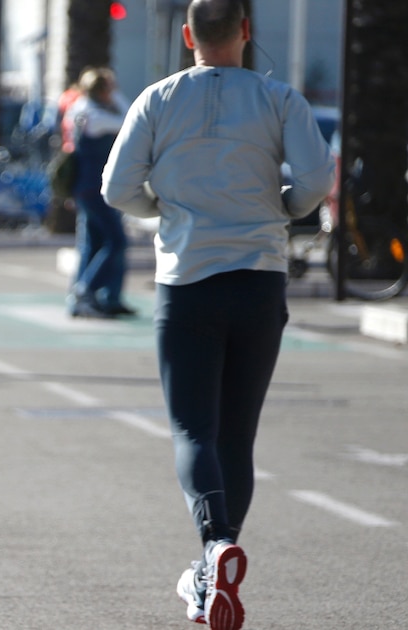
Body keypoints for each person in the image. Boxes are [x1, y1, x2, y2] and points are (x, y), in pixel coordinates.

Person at [101, 1, 334, 628]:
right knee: (237, 434)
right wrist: (281, 207)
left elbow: (115, 188)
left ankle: (214, 547)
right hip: (259, 277)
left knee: (192, 431)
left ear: (186, 37)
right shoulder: (280, 98)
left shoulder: (157, 98)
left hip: (188, 278)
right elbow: (316, 180)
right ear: (247, 32)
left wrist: (168, 208)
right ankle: (213, 568)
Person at [66, 67, 134, 318]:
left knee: (93, 244)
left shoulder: (82, 108)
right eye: (109, 87)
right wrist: (116, 94)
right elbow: (130, 120)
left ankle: (89, 298)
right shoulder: (95, 116)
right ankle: (85, 291)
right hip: (95, 189)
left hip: (87, 188)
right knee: (117, 241)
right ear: (102, 91)